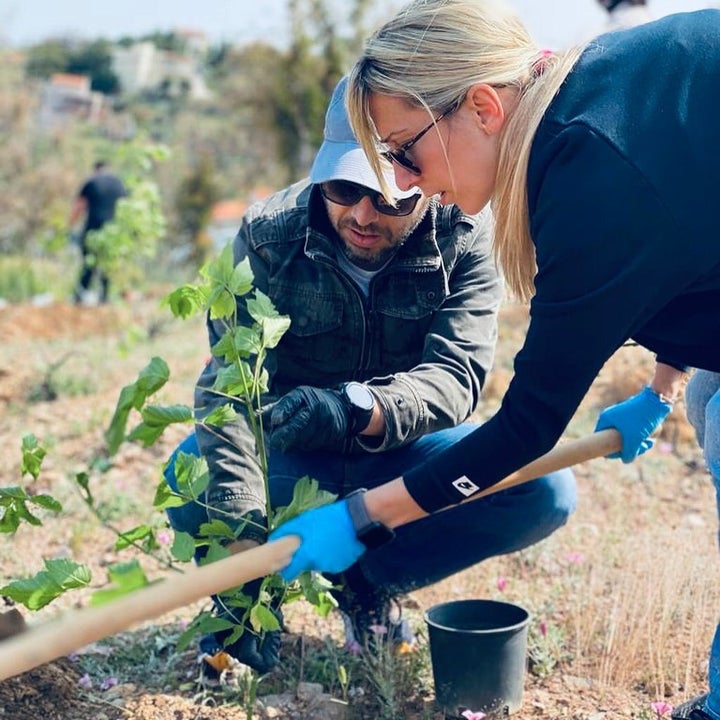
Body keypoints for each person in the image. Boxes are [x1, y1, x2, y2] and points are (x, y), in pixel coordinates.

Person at [266, 4, 720, 719]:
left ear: (481, 106)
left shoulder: (594, 177)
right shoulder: (593, 97)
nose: (402, 183)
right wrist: (665, 389)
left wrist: (358, 519)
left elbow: (527, 428)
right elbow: (691, 245)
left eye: (404, 151)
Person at [165, 76, 577, 677]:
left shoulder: (464, 239)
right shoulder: (267, 234)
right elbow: (228, 385)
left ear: (427, 187)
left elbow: (455, 377)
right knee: (190, 473)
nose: (360, 214)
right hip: (290, 453)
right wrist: (243, 551)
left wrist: (356, 408)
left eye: (388, 198)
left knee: (543, 490)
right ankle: (249, 602)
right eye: (343, 188)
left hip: (402, 456)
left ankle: (365, 585)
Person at [69, 160, 126, 304]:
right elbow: (125, 207)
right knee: (108, 263)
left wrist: (70, 226)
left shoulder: (91, 182)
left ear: (96, 169)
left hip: (93, 229)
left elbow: (80, 206)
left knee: (89, 262)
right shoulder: (118, 183)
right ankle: (104, 297)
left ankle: (80, 296)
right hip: (113, 231)